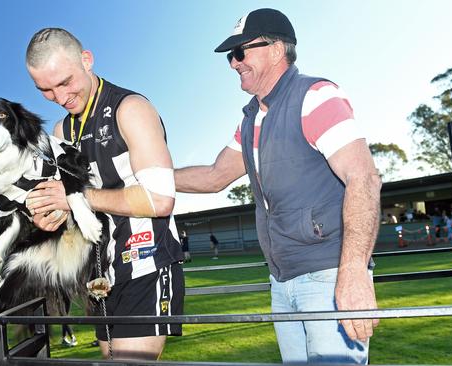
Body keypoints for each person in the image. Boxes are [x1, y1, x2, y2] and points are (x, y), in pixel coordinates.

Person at [174, 8, 381, 364]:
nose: (233, 63)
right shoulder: (252, 117)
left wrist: (353, 273)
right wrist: (142, 176)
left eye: (239, 52)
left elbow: (363, 178)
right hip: (282, 283)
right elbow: (214, 176)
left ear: (275, 49)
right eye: (230, 56)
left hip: (328, 278)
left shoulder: (315, 95)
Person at [24, 27, 185, 360]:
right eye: (46, 90)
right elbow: (65, 206)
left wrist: (75, 199)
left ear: (86, 60)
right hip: (99, 276)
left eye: (65, 82)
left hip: (146, 262)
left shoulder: (131, 108)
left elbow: (160, 199)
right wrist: (47, 213)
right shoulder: (61, 130)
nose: (60, 97)